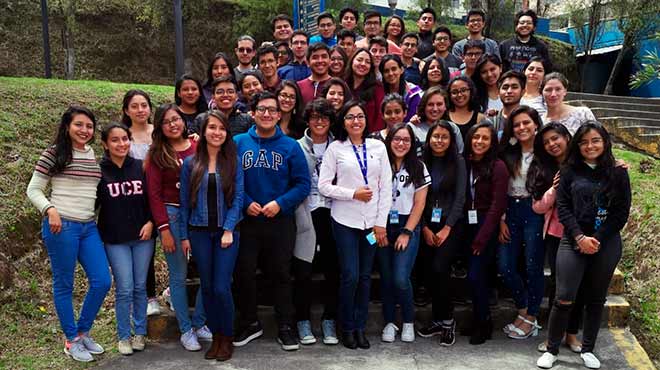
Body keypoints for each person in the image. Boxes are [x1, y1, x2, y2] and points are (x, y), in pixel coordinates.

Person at [537, 122, 631, 369]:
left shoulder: (619, 172)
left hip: (606, 242)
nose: (590, 146)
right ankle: (552, 348)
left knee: (596, 298)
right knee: (564, 296)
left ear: (605, 142)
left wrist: (597, 238)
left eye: (595, 140)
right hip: (572, 240)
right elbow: (564, 208)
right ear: (577, 145)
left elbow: (621, 213)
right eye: (584, 142)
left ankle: (588, 348)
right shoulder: (569, 170)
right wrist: (579, 237)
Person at [26, 106, 111, 363]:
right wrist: (50, 209)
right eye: (79, 125)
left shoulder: (91, 154)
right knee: (64, 285)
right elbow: (34, 189)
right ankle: (71, 339)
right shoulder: (54, 154)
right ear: (67, 126)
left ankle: (83, 331)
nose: (84, 130)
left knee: (102, 280)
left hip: (88, 227)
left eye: (89, 126)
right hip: (61, 227)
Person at [232, 92, 310, 351]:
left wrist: (280, 203)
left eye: (272, 110)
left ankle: (285, 325)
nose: (266, 114)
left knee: (281, 274)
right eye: (261, 109)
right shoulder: (238, 142)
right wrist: (245, 202)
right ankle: (250, 322)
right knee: (244, 272)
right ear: (252, 113)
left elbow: (302, 184)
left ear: (279, 114)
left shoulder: (291, 146)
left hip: (280, 221)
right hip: (247, 220)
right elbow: (228, 179)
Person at [318, 100, 392, 350]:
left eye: (360, 116)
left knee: (365, 276)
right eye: (350, 117)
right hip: (344, 221)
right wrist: (352, 194)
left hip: (371, 224)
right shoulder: (336, 149)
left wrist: (380, 224)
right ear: (343, 122)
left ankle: (361, 327)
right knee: (349, 275)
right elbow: (323, 185)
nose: (356, 121)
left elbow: (386, 188)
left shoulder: (378, 147)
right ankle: (346, 327)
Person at [179, 111, 244, 361]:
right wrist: (184, 236)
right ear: (204, 131)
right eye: (212, 128)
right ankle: (215, 336)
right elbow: (184, 203)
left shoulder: (233, 162)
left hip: (227, 234)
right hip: (199, 232)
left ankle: (226, 337)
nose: (217, 132)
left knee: (221, 287)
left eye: (222, 129)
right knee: (206, 288)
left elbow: (239, 199)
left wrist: (229, 228)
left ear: (227, 134)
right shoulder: (190, 164)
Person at [145, 104, 209, 351]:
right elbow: (154, 194)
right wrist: (163, 228)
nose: (173, 124)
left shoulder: (198, 146)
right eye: (166, 122)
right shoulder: (157, 153)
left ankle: (201, 322)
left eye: (177, 119)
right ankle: (185, 329)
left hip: (199, 214)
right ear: (160, 127)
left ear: (183, 121)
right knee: (179, 276)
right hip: (171, 215)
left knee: (208, 272)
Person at [96, 123, 154, 356]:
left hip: (143, 237)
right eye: (115, 140)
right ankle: (123, 336)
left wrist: (151, 222)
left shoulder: (140, 167)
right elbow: (92, 204)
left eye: (125, 139)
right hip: (115, 239)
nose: (121, 144)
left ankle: (140, 332)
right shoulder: (99, 171)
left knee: (140, 286)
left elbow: (152, 198)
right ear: (105, 144)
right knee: (125, 288)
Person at [527, 123, 584, 355]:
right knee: (559, 288)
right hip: (556, 235)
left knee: (578, 288)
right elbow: (538, 207)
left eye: (556, 138)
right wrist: (552, 190)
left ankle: (572, 335)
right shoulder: (543, 168)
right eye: (547, 141)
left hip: (584, 233)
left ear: (567, 137)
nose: (552, 144)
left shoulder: (585, 162)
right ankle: (554, 336)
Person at [416, 120, 466, 347]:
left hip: (450, 224)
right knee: (429, 272)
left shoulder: (459, 162)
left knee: (440, 269)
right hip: (426, 223)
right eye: (435, 136)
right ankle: (437, 320)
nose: (439, 140)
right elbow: (418, 197)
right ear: (429, 139)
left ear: (451, 140)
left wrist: (447, 228)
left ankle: (448, 321)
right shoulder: (420, 162)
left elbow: (460, 198)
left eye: (444, 137)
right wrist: (425, 227)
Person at [294, 98, 340, 346]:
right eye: (314, 117)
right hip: (306, 211)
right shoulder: (297, 146)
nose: (319, 121)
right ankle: (302, 320)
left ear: (331, 120)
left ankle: (329, 320)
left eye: (324, 117)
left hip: (335, 213)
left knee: (333, 269)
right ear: (307, 120)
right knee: (303, 269)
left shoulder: (340, 146)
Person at [379, 123, 430, 343]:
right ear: (389, 141)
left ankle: (408, 321)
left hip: (406, 224)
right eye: (396, 139)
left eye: (406, 140)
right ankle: (389, 322)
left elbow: (419, 204)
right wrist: (377, 227)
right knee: (387, 277)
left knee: (401, 277)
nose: (401, 143)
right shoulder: (380, 165)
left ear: (412, 143)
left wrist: (407, 231)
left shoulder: (419, 167)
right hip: (381, 225)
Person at [497, 105, 545, 340]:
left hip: (534, 210)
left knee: (533, 266)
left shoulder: (546, 152)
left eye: (526, 122)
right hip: (510, 210)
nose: (522, 127)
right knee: (505, 266)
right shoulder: (507, 153)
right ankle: (524, 309)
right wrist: (502, 217)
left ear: (536, 124)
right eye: (516, 125)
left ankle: (531, 317)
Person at [461, 122, 509, 345]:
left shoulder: (498, 166)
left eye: (485, 138)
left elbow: (497, 204)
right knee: (473, 278)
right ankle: (479, 318)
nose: (479, 142)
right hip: (465, 224)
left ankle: (484, 322)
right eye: (476, 137)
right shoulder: (466, 163)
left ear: (492, 143)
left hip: (485, 225)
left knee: (475, 276)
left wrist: (483, 236)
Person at [120, 90, 161, 315]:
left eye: (144, 105)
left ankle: (174, 293)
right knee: (146, 246)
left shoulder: (158, 132)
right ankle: (148, 296)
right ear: (126, 110)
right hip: (133, 195)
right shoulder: (122, 134)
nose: (140, 110)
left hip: (161, 192)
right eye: (134, 106)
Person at [410, 86, 464, 153]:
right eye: (430, 104)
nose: (435, 109)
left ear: (445, 107)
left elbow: (460, 154)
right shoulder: (412, 127)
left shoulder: (453, 128)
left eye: (439, 104)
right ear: (424, 106)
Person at [345, 48, 385, 133]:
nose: (363, 64)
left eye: (367, 62)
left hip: (370, 138)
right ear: (352, 61)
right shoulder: (343, 84)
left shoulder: (377, 87)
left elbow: (380, 116)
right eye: (359, 60)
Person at [380, 55, 423, 122]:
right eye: (386, 71)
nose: (390, 73)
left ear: (401, 70)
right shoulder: (378, 92)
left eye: (394, 69)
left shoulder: (414, 94)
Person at [446, 76, 487, 141]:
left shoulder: (480, 118)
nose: (459, 95)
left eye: (463, 90)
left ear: (471, 92)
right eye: (454, 92)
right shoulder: (444, 116)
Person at [491, 70, 527, 136]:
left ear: (523, 92)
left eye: (514, 87)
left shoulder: (530, 119)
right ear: (498, 92)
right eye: (505, 88)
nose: (509, 91)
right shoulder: (491, 121)